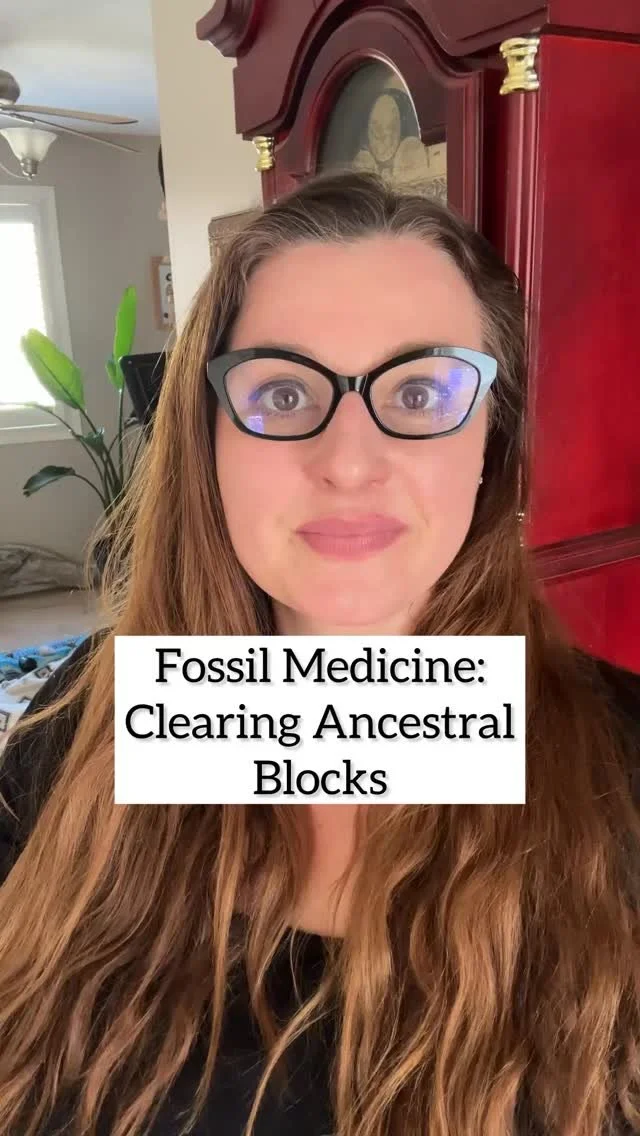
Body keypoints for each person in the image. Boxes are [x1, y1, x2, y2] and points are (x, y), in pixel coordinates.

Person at [0, 170, 638, 1136]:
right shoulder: (91, 716)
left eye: (420, 391)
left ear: (490, 441)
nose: (347, 461)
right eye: (284, 390)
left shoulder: (622, 767)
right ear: (209, 439)